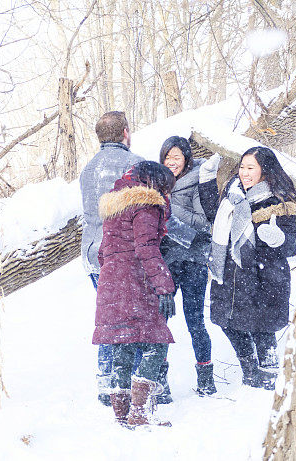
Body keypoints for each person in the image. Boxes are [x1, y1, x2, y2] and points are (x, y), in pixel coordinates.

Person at [207, 146, 296, 390]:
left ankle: (268, 383)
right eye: (242, 167)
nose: (244, 173)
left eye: (251, 168)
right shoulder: (231, 196)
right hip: (231, 276)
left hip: (265, 278)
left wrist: (279, 239)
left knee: (262, 331)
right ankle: (250, 373)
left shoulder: (280, 200)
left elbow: (293, 243)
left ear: (265, 170)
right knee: (228, 323)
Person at [93, 161, 177, 427]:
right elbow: (147, 248)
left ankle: (121, 413)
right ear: (155, 184)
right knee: (155, 344)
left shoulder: (115, 207)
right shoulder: (146, 205)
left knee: (124, 343)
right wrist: (164, 287)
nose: (166, 195)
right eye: (166, 188)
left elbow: (101, 252)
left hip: (111, 281)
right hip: (135, 282)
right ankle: (140, 413)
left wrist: (116, 270)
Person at [79, 111, 142, 405]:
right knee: (130, 319)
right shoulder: (136, 165)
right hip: (123, 255)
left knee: (107, 316)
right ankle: (128, 381)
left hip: (93, 254)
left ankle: (106, 381)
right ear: (125, 133)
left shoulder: (88, 170)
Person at [159, 136, 216, 396]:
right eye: (167, 158)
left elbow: (203, 223)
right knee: (159, 322)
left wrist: (167, 210)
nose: (171, 163)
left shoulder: (197, 181)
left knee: (195, 321)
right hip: (165, 263)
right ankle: (160, 382)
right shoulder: (155, 183)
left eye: (177, 158)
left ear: (186, 159)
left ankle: (206, 380)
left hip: (193, 261)